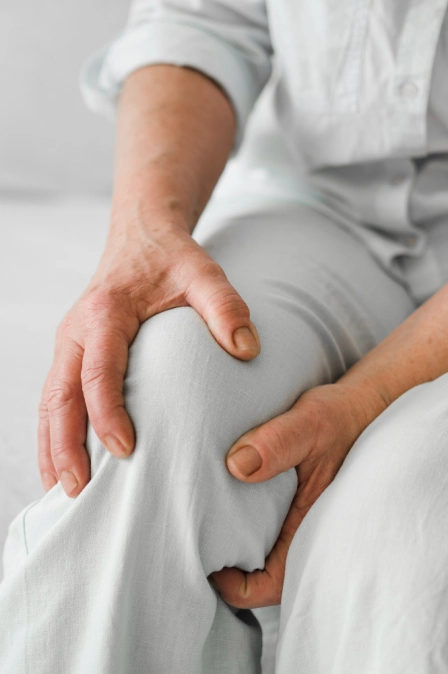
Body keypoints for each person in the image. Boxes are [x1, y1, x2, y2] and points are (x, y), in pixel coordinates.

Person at [2, 1, 448, 672]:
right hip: (313, 207)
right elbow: (201, 20)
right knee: (161, 399)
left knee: (404, 531)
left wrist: (373, 395)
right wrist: (144, 237)